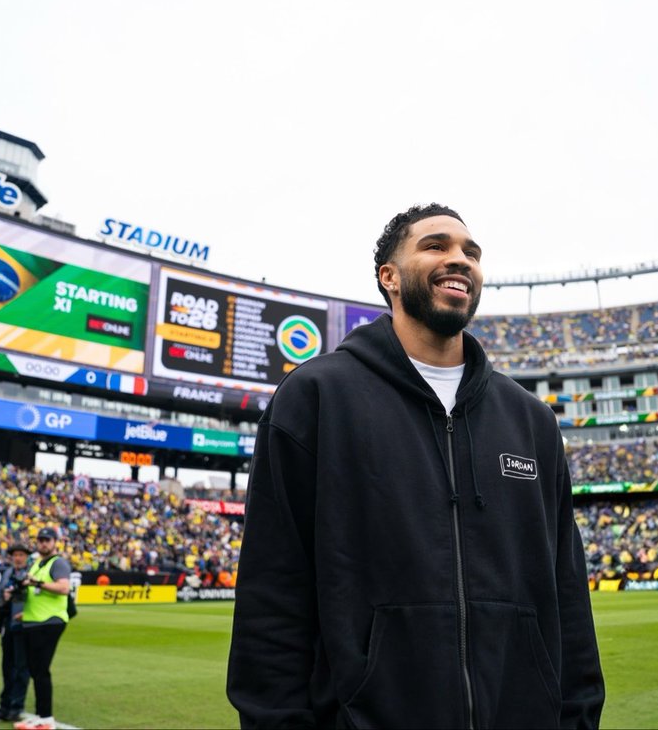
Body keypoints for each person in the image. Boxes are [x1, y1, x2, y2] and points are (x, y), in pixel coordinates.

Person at [227, 204, 605, 728]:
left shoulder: (532, 421)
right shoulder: (315, 399)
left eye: (471, 253)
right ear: (389, 277)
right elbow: (273, 595)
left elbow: (566, 595)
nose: (460, 260)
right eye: (436, 246)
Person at [13, 526, 72, 730]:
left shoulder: (58, 563)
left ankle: (46, 718)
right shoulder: (37, 563)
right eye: (41, 540)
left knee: (40, 669)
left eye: (47, 540)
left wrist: (36, 583)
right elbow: (33, 590)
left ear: (55, 542)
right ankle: (41, 716)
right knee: (36, 669)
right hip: (34, 620)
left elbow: (64, 588)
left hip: (49, 621)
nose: (44, 543)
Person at [0, 540, 32, 723]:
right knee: (7, 668)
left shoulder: (32, 574)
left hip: (24, 626)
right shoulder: (8, 574)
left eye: (21, 555)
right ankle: (4, 707)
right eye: (15, 555)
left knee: (21, 669)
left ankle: (16, 707)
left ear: (26, 557)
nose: (18, 558)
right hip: (8, 626)